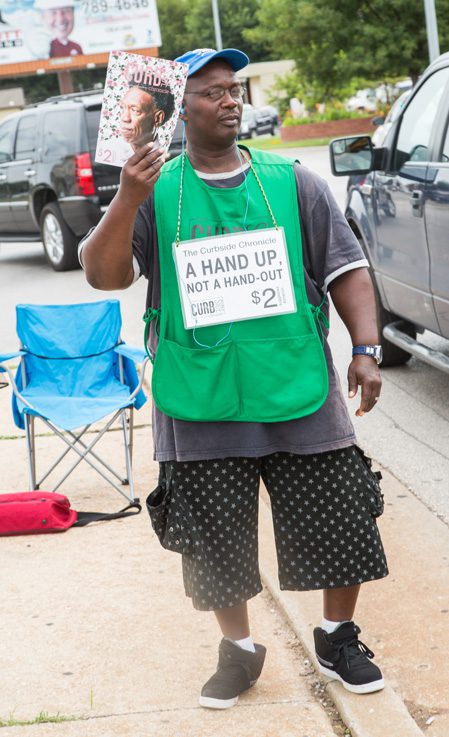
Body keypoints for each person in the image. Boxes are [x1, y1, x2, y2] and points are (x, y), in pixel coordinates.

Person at [80, 47, 388, 710]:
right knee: (214, 537)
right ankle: (239, 649)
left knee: (343, 513)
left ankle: (337, 636)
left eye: (234, 88)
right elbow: (104, 275)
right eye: (212, 92)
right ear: (173, 111)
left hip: (298, 387)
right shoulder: (153, 189)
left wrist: (365, 346)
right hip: (198, 398)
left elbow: (346, 268)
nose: (230, 100)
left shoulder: (291, 180)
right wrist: (128, 197)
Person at [119, 83, 175, 153]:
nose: (124, 118)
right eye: (122, 108)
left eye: (135, 110)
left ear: (158, 118)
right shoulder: (109, 149)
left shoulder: (166, 158)